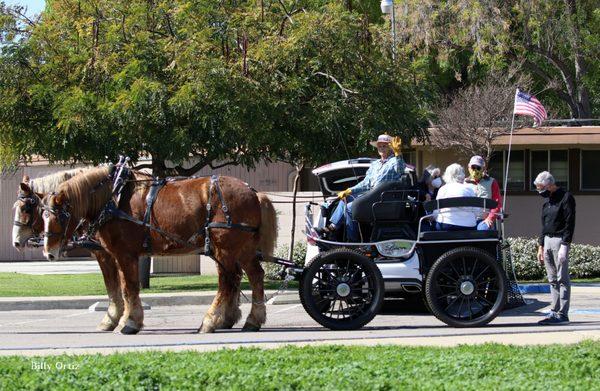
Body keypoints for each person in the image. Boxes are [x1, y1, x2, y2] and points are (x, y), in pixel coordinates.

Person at [316, 134, 406, 241]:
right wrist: (349, 190)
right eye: (379, 146)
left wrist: (398, 153)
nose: (381, 148)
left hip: (383, 200)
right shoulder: (375, 164)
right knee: (346, 198)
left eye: (384, 146)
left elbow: (400, 170)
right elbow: (365, 183)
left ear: (391, 148)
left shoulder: (394, 161)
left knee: (350, 208)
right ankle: (332, 227)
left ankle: (352, 241)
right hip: (370, 197)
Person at [534, 171, 576, 325]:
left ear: (550, 184)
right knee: (552, 279)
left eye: (541, 188)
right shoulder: (547, 202)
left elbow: (569, 223)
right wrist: (540, 246)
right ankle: (554, 310)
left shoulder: (566, 198)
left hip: (559, 241)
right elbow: (544, 226)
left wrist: (565, 245)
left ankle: (563, 314)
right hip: (547, 241)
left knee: (562, 278)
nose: (540, 191)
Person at [432, 163, 478, 231]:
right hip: (468, 226)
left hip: (445, 225)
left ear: (447, 175)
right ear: (462, 175)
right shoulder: (469, 189)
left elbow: (436, 212)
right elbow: (477, 211)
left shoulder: (443, 189)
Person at [464, 155, 502, 231]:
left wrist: (490, 218)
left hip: (484, 221)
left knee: (483, 230)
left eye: (478, 168)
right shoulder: (464, 183)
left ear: (483, 169)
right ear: (468, 167)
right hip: (466, 221)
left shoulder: (492, 182)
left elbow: (497, 204)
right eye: (473, 167)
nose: (475, 170)